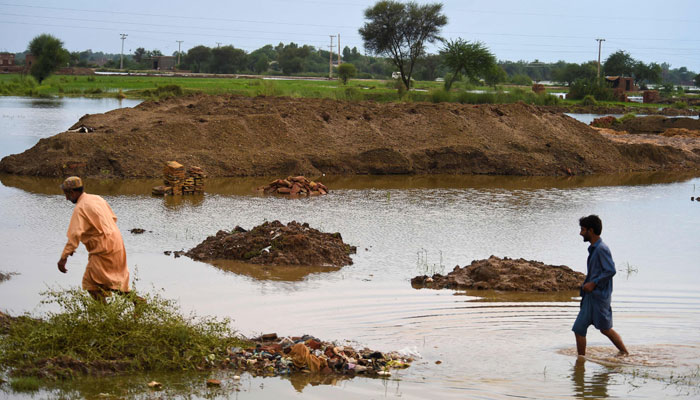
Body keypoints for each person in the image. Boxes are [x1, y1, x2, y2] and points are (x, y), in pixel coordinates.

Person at [58, 176, 130, 302]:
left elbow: (74, 235)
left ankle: (106, 314)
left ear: (73, 192)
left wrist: (63, 258)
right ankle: (110, 312)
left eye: (67, 195)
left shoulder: (80, 208)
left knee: (91, 284)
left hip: (103, 247)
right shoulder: (96, 198)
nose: (66, 198)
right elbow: (113, 218)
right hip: (116, 241)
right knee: (106, 281)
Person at [572, 215, 628, 356]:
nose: (580, 233)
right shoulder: (594, 249)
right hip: (590, 298)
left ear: (591, 230)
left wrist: (593, 283)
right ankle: (581, 361)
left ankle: (625, 353)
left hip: (599, 298)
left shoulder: (601, 249)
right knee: (579, 329)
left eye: (583, 230)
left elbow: (611, 270)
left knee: (605, 329)